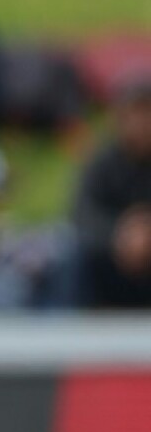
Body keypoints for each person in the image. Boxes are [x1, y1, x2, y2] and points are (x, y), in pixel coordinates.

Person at [68, 72, 151, 307]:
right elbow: (82, 213)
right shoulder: (102, 162)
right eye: (134, 113)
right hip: (109, 261)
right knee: (71, 254)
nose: (141, 124)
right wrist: (120, 234)